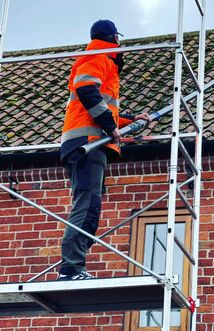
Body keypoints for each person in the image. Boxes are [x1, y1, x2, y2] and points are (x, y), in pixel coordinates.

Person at [58, 20, 151, 280]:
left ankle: (74, 267)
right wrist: (111, 127)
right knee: (87, 205)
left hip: (87, 141)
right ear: (114, 38)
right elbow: (87, 90)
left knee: (90, 206)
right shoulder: (99, 56)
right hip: (87, 143)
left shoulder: (101, 59)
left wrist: (131, 121)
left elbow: (103, 106)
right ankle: (71, 269)